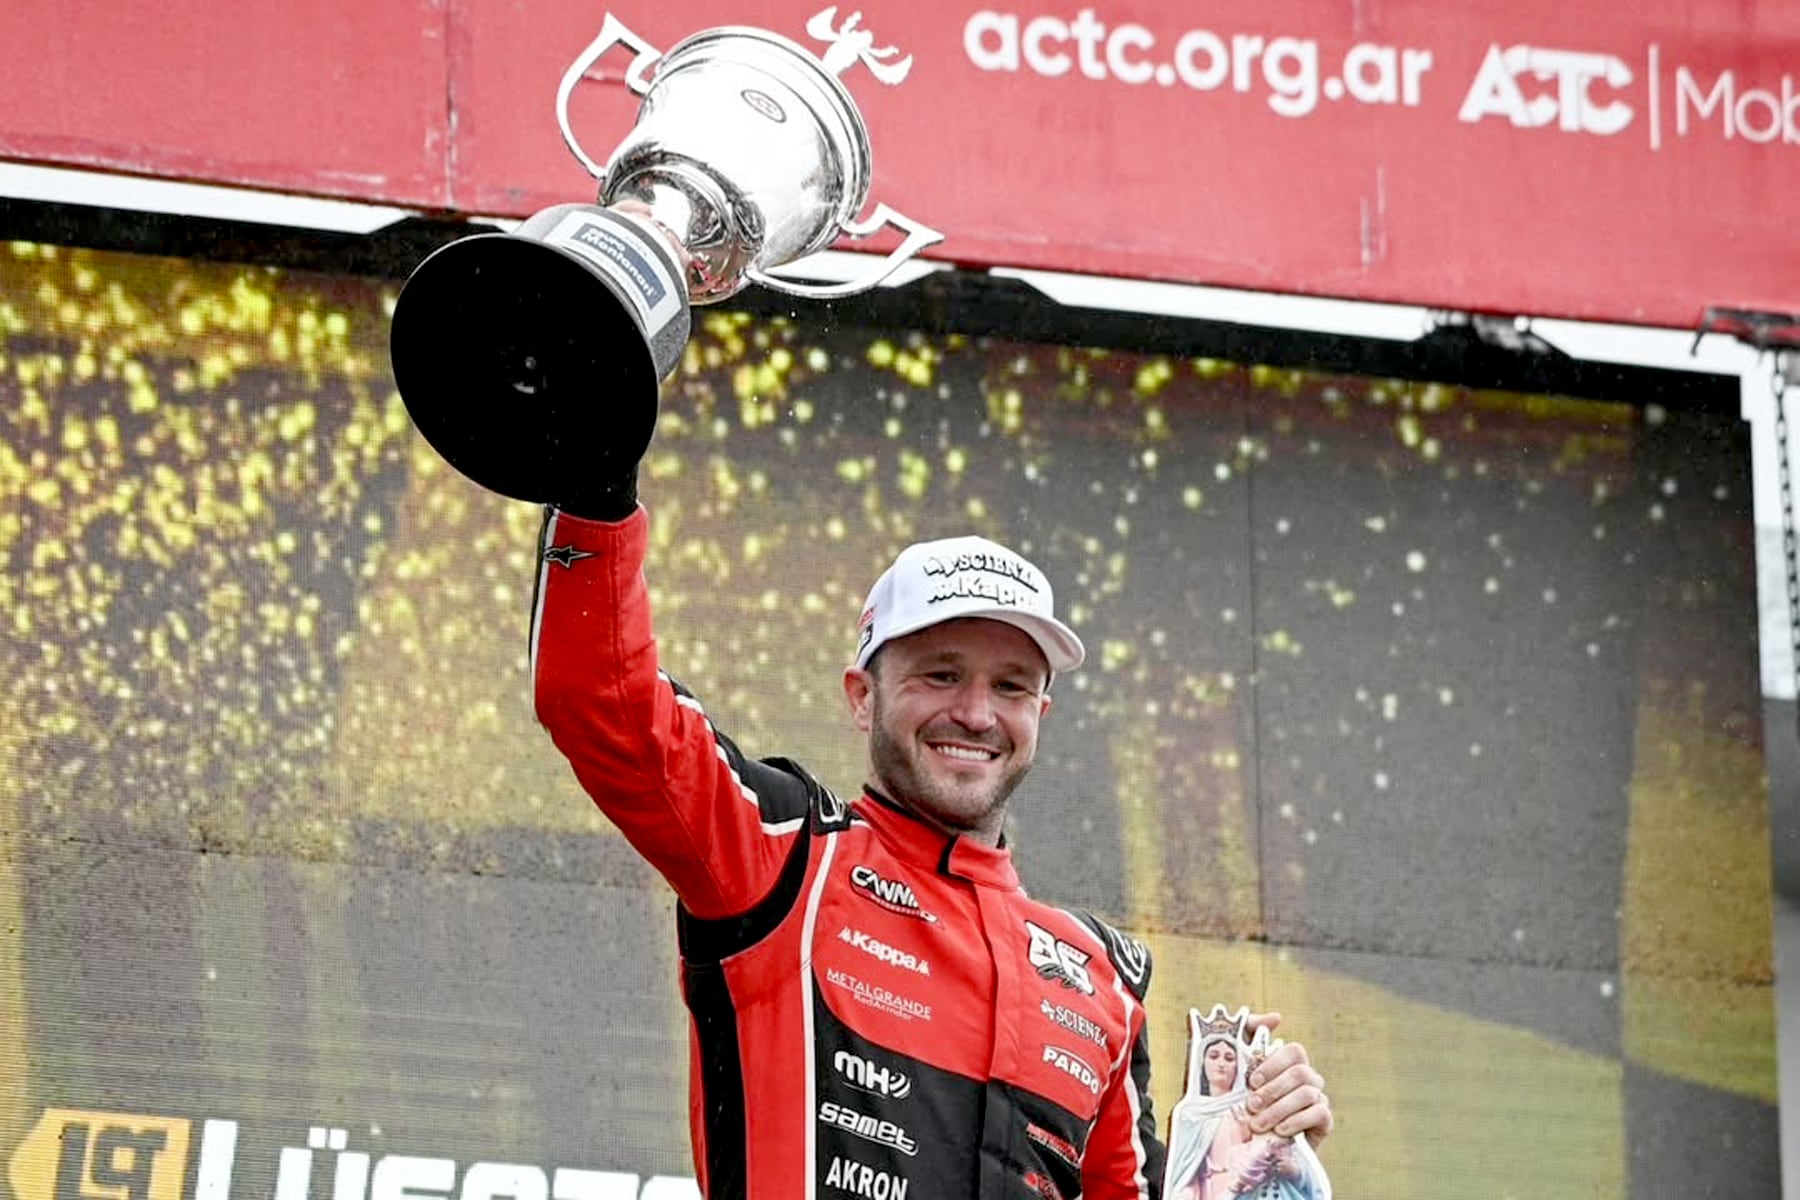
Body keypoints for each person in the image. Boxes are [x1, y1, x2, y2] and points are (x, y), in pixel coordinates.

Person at [529, 468, 1333, 1200]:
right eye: (941, 673)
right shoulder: (785, 856)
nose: (977, 713)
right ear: (862, 696)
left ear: (1039, 716)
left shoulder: (1103, 980)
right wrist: (600, 480)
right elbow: (602, 698)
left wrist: (1240, 1174)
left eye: (1011, 686)